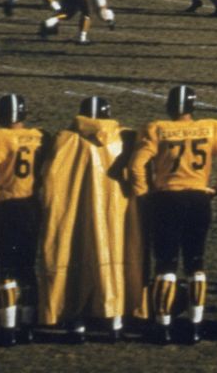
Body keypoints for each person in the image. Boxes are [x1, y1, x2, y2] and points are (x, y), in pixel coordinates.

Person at [129, 86, 217, 344]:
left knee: (166, 264)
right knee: (196, 264)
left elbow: (136, 166)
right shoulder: (212, 127)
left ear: (169, 106)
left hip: (167, 198)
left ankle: (163, 326)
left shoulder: (156, 129)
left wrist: (144, 195)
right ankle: (195, 325)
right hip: (198, 199)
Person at [38, 97, 144, 343]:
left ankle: (76, 322)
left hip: (75, 214)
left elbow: (50, 177)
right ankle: (115, 319)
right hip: (116, 212)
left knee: (75, 260)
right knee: (115, 259)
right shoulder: (124, 138)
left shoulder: (65, 139)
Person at [0, 93, 46, 345]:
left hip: (7, 206)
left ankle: (8, 328)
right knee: (27, 266)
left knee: (6, 267)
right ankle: (29, 325)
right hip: (31, 205)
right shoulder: (39, 137)